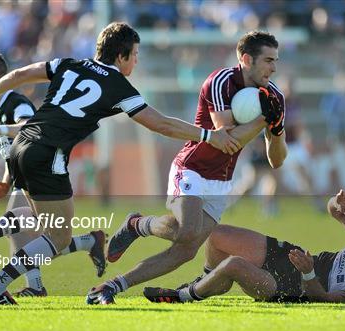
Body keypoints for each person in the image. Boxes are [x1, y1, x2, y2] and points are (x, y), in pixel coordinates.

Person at [0, 22, 240, 305]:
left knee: (43, 224)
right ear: (121, 56)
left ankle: (7, 254)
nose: (137, 60)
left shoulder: (69, 64)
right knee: (57, 236)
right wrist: (208, 135)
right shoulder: (119, 86)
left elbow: (20, 73)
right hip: (49, 153)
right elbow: (161, 124)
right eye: (135, 54)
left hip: (21, 145)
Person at [87, 30, 287, 305]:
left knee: (185, 251)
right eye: (268, 60)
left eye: (275, 60)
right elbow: (225, 140)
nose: (273, 68)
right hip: (192, 167)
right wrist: (264, 119)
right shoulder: (221, 82)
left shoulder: (273, 96)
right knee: (186, 230)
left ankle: (113, 286)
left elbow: (276, 160)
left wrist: (275, 128)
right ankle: (138, 224)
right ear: (245, 59)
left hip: (221, 182)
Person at [0, 48, 108, 297]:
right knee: (38, 238)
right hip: (24, 176)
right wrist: (4, 180)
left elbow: (29, 128)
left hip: (40, 173)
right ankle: (79, 249)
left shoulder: (14, 102)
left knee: (32, 235)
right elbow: (12, 150)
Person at [143, 189, 345, 304]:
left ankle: (184, 296)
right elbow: (336, 213)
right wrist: (337, 205)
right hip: (296, 257)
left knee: (234, 265)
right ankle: (209, 281)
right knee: (217, 235)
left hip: (294, 288)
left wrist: (310, 274)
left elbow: (322, 299)